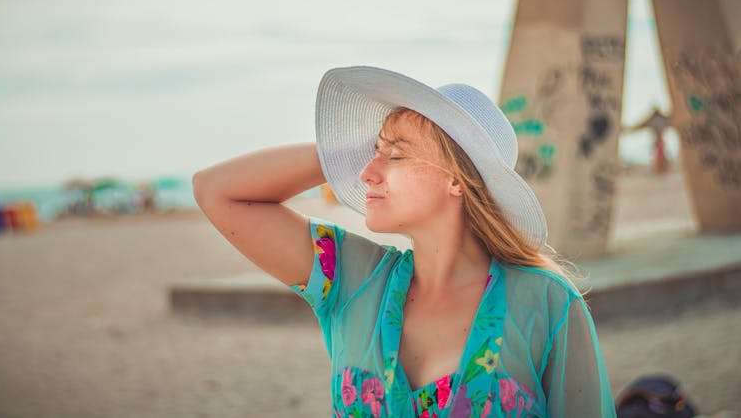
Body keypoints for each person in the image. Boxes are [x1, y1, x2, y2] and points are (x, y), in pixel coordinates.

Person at [193, 66, 616, 417]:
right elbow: (216, 191)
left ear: (457, 179)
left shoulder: (546, 303)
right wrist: (351, 152)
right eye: (370, 155)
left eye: (394, 156)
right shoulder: (353, 278)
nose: (366, 172)